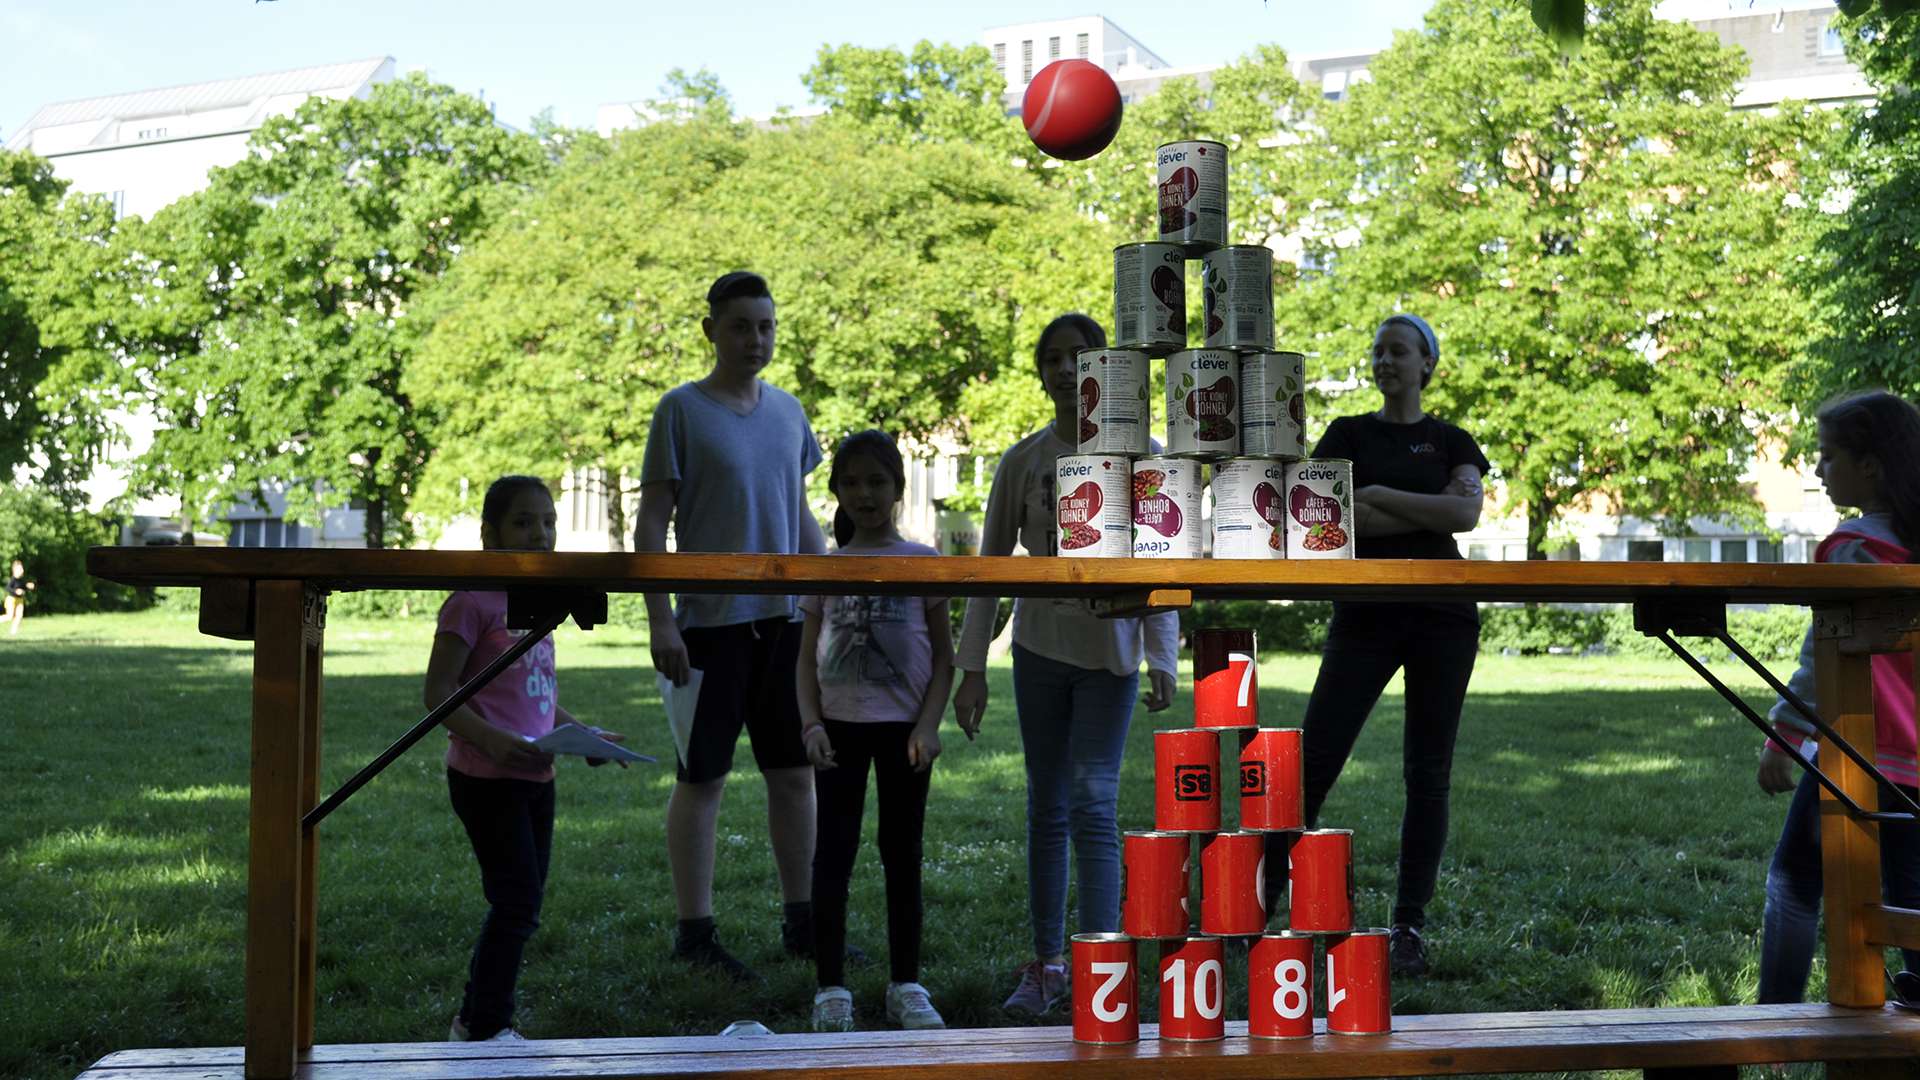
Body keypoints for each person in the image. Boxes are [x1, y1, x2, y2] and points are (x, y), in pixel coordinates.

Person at [952, 313, 1179, 1017]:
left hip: (1111, 658)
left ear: (1105, 367)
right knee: (1047, 806)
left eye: (1079, 355)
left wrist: (1162, 653)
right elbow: (990, 568)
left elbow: (1163, 560)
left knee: (1093, 803)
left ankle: (1099, 964)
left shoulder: (1143, 455)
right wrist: (971, 667)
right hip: (1039, 652)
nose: (1065, 369)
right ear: (1041, 372)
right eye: (1052, 358)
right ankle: (1048, 962)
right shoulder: (1022, 461)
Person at [637, 270, 829, 983]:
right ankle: (695, 934)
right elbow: (652, 523)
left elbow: (798, 514)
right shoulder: (680, 410)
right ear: (710, 330)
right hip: (709, 630)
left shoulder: (788, 412)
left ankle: (804, 924)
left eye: (766, 326)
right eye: (742, 326)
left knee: (794, 777)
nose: (756, 339)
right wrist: (661, 621)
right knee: (703, 780)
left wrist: (831, 598)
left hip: (784, 625)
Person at [1290, 313, 1490, 978]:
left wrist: (1373, 494)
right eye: (1378, 351)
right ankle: (1255, 911)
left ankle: (1408, 925)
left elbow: (1465, 514)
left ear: (1427, 363)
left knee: (1427, 774)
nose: (1385, 361)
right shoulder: (1347, 434)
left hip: (1444, 616)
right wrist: (1418, 506)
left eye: (1398, 351)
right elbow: (1321, 514)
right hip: (1365, 615)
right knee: (1314, 762)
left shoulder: (1452, 440)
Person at [431, 475, 627, 1042]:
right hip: (486, 779)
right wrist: (489, 739)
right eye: (523, 522)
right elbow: (439, 692)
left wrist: (584, 735)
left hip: (537, 776)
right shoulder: (471, 602)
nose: (539, 534)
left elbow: (536, 697)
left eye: (548, 522)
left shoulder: (543, 604)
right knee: (516, 903)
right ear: (489, 534)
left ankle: (477, 1022)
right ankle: (484, 1027)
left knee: (523, 903)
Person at [1755, 390, 1920, 1006]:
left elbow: (1820, 657)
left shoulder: (1851, 548)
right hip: (1915, 765)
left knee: (1794, 883)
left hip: (1854, 756)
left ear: (1869, 465)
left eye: (1828, 456)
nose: (1819, 469)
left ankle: (1776, 1016)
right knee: (1910, 895)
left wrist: (1784, 736)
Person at [799, 430, 954, 1032]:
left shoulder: (923, 563)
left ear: (897, 488)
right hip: (837, 731)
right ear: (837, 490)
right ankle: (830, 989)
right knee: (833, 855)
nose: (863, 493)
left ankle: (905, 984)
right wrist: (811, 724)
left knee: (902, 854)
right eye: (851, 482)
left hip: (903, 733)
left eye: (876, 481)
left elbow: (943, 659)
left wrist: (928, 725)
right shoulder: (825, 567)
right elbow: (804, 659)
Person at [5, 559, 34, 636]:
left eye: (22, 568)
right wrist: (16, 591)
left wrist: (28, 586)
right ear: (15, 570)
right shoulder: (13, 579)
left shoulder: (21, 580)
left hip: (19, 600)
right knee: (9, 616)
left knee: (19, 616)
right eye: (20, 569)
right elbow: (8, 588)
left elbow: (23, 587)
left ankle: (13, 632)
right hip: (11, 599)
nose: (22, 570)